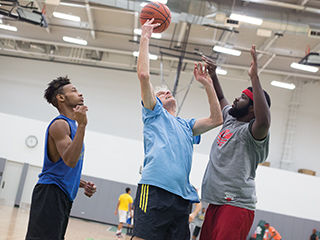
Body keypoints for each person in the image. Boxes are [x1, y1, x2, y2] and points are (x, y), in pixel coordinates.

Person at [132, 19, 223, 240]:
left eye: (168, 92)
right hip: (153, 188)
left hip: (181, 196)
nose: (166, 94)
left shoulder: (186, 126)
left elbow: (216, 119)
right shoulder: (154, 114)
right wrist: (145, 38)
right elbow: (144, 75)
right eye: (161, 94)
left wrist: (208, 84)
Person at [200, 45, 271, 240]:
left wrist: (254, 77)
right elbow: (221, 97)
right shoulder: (230, 120)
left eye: (241, 98)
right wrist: (213, 75)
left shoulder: (253, 134)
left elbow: (264, 121)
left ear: (252, 109)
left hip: (236, 205)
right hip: (217, 202)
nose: (235, 99)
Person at [25, 76, 96, 240]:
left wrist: (83, 184)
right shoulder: (60, 125)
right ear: (61, 97)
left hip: (62, 196)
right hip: (50, 194)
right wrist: (83, 126)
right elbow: (70, 160)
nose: (80, 94)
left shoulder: (72, 125)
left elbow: (63, 168)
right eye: (74, 91)